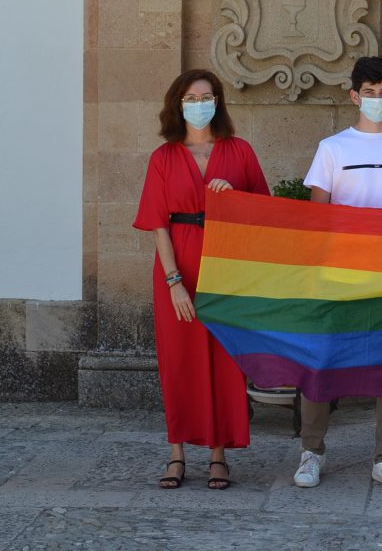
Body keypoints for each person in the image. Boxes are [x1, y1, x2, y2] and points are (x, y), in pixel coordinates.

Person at [294, 56, 382, 494]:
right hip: (338, 274)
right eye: (369, 93)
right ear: (355, 95)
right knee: (322, 361)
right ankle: (311, 451)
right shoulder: (332, 147)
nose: (377, 99)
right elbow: (318, 217)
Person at [133, 69, 271, 490]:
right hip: (179, 265)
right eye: (191, 98)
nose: (199, 105)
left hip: (226, 266)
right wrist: (174, 280)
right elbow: (158, 224)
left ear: (219, 102)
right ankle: (176, 452)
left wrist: (235, 198)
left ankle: (218, 454)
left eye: (207, 97)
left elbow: (264, 214)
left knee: (223, 358)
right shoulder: (164, 157)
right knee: (178, 359)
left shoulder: (240, 151)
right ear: (177, 104)